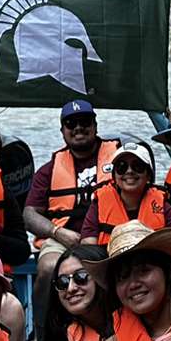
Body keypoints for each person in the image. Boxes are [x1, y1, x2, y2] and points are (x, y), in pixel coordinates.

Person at [23, 98, 119, 266]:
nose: (78, 128)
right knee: (48, 266)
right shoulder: (48, 171)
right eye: (71, 123)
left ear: (95, 126)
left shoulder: (121, 159)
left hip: (112, 234)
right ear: (62, 131)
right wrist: (57, 232)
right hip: (64, 240)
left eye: (85, 122)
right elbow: (29, 215)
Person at [82, 138, 171, 247]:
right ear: (114, 176)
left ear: (148, 175)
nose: (129, 171)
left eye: (138, 166)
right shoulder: (98, 204)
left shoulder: (164, 206)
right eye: (121, 167)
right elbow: (88, 243)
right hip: (110, 260)